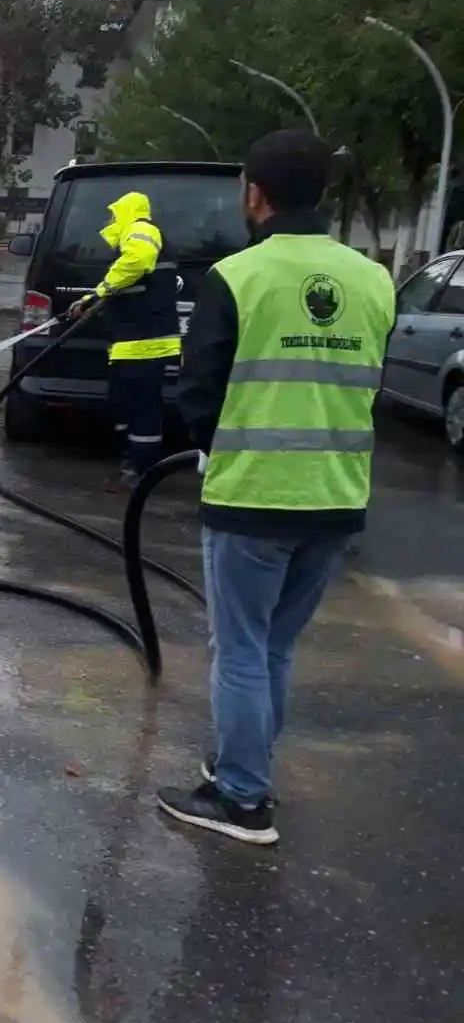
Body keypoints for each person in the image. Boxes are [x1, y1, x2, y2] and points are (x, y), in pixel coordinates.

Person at [160, 128, 395, 845]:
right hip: (335, 496)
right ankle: (244, 765)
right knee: (275, 650)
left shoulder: (237, 278)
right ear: (320, 194)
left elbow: (197, 393)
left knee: (239, 650)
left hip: (254, 496)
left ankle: (241, 798)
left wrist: (208, 448)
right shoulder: (373, 278)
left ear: (253, 193)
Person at [69, 191, 183, 488]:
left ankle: (142, 472)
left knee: (143, 410)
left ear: (127, 212)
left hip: (146, 344)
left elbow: (137, 262)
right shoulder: (141, 234)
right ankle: (129, 463)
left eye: (114, 215)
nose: (110, 221)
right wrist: (93, 298)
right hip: (133, 343)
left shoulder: (142, 230)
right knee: (125, 405)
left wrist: (100, 291)